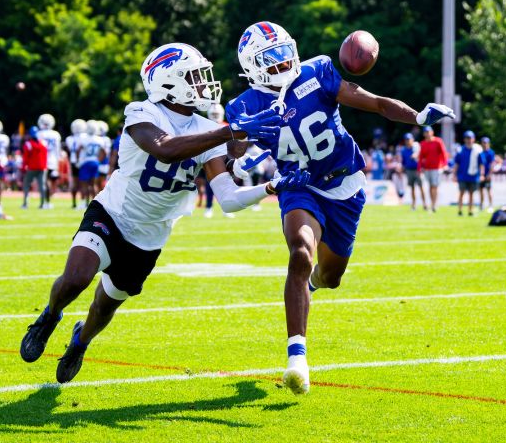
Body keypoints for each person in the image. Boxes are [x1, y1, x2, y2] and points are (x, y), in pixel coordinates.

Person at [18, 42, 300, 384]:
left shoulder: (204, 129)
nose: (203, 84)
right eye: (194, 77)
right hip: (112, 213)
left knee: (105, 306)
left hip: (150, 235)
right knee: (77, 278)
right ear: (169, 82)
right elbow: (164, 149)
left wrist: (271, 187)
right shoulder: (142, 112)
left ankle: (80, 341)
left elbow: (226, 198)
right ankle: (50, 315)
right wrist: (231, 132)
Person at [225, 21, 454, 394]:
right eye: (272, 58)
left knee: (331, 276)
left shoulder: (317, 72)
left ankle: (314, 284)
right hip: (299, 186)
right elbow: (231, 155)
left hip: (345, 183)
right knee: (300, 252)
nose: (283, 63)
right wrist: (239, 148)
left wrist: (416, 117)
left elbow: (377, 103)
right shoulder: (243, 106)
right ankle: (297, 358)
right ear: (252, 66)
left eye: (284, 52)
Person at [417, 125, 449, 213]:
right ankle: (433, 203)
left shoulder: (438, 141)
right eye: (426, 132)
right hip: (427, 168)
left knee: (434, 186)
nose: (427, 134)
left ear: (432, 132)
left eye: (428, 132)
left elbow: (443, 153)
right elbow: (421, 157)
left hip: (437, 168)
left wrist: (445, 164)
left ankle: (434, 205)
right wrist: (419, 168)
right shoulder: (423, 144)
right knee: (430, 187)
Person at [36, 113, 64, 209]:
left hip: (42, 160)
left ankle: (45, 202)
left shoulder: (39, 134)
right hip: (53, 160)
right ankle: (46, 201)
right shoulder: (56, 134)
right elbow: (58, 149)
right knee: (47, 181)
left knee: (44, 182)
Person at [451, 130, 482, 216]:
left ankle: (470, 210)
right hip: (462, 176)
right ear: (464, 139)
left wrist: (482, 175)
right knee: (461, 193)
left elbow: (481, 164)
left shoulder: (477, 150)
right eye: (467, 138)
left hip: (473, 175)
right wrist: (454, 175)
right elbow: (456, 164)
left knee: (471, 194)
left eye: (470, 138)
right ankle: (460, 210)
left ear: (473, 139)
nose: (469, 140)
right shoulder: (460, 150)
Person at [21, 126, 49, 209]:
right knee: (42, 186)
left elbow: (25, 157)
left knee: (26, 184)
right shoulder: (44, 143)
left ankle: (25, 203)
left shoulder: (28, 144)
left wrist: (23, 167)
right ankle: (43, 204)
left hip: (31, 167)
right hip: (43, 167)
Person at [396, 132, 425, 210]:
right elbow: (403, 162)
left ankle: (424, 204)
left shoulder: (416, 147)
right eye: (406, 140)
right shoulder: (404, 150)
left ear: (412, 139)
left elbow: (420, 156)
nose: (407, 141)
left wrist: (416, 155)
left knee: (421, 187)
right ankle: (414, 205)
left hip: (417, 170)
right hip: (409, 170)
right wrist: (401, 168)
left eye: (409, 139)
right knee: (412, 188)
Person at [65, 119, 89, 208]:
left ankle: (74, 203)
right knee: (84, 183)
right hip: (83, 161)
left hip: (73, 161)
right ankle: (84, 202)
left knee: (74, 183)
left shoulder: (69, 139)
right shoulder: (86, 137)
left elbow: (69, 150)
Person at [477, 136, 497, 210]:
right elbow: (480, 165)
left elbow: (492, 164)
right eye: (483, 143)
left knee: (489, 190)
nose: (484, 144)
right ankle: (481, 205)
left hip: (487, 174)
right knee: (481, 190)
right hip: (481, 175)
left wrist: (489, 174)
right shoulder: (480, 153)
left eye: (486, 143)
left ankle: (491, 205)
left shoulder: (491, 153)